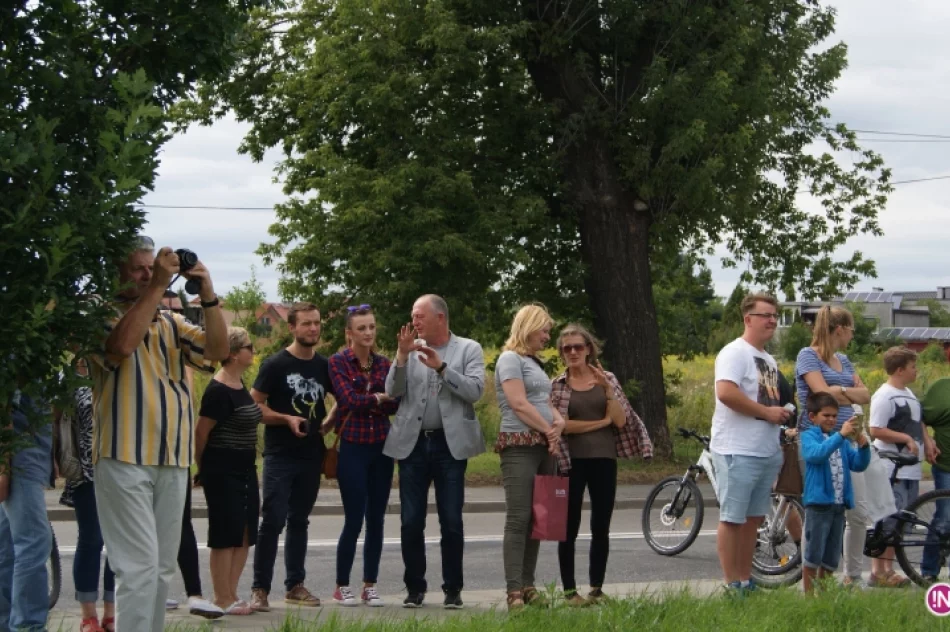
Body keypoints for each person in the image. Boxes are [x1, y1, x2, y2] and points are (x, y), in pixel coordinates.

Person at [89, 236, 228, 632]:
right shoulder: (97, 313)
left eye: (152, 268)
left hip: (172, 459)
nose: (149, 275)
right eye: (138, 268)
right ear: (116, 273)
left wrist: (209, 295)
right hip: (123, 457)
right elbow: (121, 345)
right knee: (137, 568)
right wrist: (154, 289)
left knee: (162, 568)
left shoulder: (171, 322)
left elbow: (217, 351)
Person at [385, 294, 486, 609]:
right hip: (413, 445)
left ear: (440, 317)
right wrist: (401, 358)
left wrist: (442, 368)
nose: (414, 322)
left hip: (449, 445)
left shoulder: (468, 349)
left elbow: (475, 391)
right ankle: (415, 588)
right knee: (411, 521)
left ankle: (452, 589)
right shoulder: (409, 351)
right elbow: (392, 392)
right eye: (413, 316)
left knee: (452, 520)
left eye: (419, 316)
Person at [550, 324, 653, 606]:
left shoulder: (607, 379)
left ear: (589, 349)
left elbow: (620, 420)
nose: (572, 352)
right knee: (568, 527)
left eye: (578, 347)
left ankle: (596, 588)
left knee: (601, 525)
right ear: (561, 352)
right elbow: (562, 427)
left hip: (604, 460)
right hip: (570, 462)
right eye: (566, 348)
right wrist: (599, 423)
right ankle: (570, 592)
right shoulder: (558, 385)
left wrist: (608, 392)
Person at [249, 303, 335, 611]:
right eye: (306, 324)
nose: (313, 328)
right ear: (292, 328)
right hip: (280, 455)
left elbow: (344, 399)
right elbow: (253, 406)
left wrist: (329, 422)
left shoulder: (325, 366)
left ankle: (295, 585)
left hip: (312, 454)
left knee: (300, 520)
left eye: (316, 323)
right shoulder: (275, 365)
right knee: (272, 520)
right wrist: (285, 418)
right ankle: (259, 589)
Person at [710, 292, 790, 594]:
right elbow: (727, 393)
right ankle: (732, 583)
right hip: (736, 449)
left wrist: (781, 414)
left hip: (765, 451)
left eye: (774, 316)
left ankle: (745, 578)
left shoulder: (768, 359)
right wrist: (767, 412)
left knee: (753, 520)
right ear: (748, 319)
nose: (771, 320)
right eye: (765, 315)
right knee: (733, 518)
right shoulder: (734, 352)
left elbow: (767, 402)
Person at [325, 306, 400, 607]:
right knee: (354, 518)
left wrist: (374, 400)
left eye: (371, 327)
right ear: (349, 333)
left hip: (382, 447)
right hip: (353, 447)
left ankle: (370, 584)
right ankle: (341, 585)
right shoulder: (338, 362)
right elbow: (348, 400)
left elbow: (395, 404)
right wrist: (376, 399)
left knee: (377, 519)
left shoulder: (384, 363)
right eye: (361, 328)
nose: (368, 333)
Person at [494, 304, 566, 610]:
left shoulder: (534, 363)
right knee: (519, 516)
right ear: (529, 327)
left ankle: (528, 584)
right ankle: (513, 591)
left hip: (543, 446)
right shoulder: (509, 359)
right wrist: (549, 431)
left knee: (539, 517)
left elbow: (543, 399)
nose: (548, 336)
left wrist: (558, 421)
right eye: (544, 330)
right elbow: (519, 404)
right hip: (519, 443)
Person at [795, 305, 871, 587]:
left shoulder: (845, 360)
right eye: (851, 330)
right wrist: (842, 393)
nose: (852, 336)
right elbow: (821, 394)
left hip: (847, 439)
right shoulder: (807, 356)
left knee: (857, 511)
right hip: (820, 439)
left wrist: (839, 392)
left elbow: (864, 394)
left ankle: (851, 576)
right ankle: (812, 585)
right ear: (840, 329)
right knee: (820, 515)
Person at [195, 327, 261, 615]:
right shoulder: (218, 389)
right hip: (222, 468)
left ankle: (232, 593)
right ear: (234, 353)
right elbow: (201, 433)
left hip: (246, 467)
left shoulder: (239, 383)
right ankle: (221, 597)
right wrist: (203, 468)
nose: (253, 351)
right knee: (225, 533)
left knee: (246, 531)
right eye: (249, 346)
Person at [57, 361, 115, 632]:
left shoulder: (114, 370)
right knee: (91, 539)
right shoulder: (65, 379)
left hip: (118, 468)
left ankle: (112, 611)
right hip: (84, 472)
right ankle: (88, 615)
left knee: (118, 542)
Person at [800, 392, 870, 594]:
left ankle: (824, 595)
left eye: (834, 416)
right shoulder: (809, 436)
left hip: (839, 505)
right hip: (819, 505)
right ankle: (810, 598)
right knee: (813, 554)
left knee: (831, 557)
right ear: (813, 417)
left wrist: (863, 447)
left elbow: (857, 464)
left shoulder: (841, 441)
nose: (831, 420)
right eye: (826, 415)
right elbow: (816, 455)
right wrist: (840, 435)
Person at [0, 384, 53, 632]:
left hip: (26, 453)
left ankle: (9, 624)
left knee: (8, 546)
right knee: (33, 541)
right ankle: (27, 627)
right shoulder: (16, 349)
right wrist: (3, 467)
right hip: (18, 458)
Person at [868, 346, 922, 587]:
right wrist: (906, 440)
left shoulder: (909, 393)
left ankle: (890, 568)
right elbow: (876, 429)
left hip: (911, 467)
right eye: (913, 367)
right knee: (887, 517)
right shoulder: (884, 395)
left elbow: (916, 424)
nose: (916, 371)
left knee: (900, 520)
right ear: (900, 370)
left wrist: (926, 442)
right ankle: (878, 570)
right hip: (891, 466)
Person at [921, 376, 950, 583]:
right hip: (946, 466)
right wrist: (927, 439)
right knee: (944, 519)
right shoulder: (941, 389)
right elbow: (919, 417)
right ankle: (929, 570)